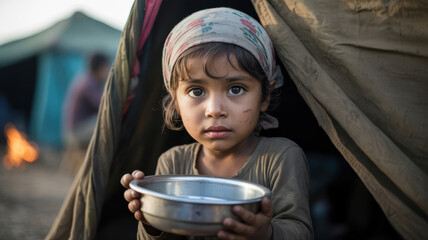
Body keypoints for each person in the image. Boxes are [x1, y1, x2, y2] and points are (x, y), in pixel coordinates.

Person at [120, 7, 312, 239]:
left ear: (265, 96)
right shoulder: (172, 164)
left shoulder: (280, 158)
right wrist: (151, 222)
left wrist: (266, 234)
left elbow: (301, 231)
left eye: (236, 88)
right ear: (176, 100)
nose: (215, 110)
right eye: (197, 91)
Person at [62, 52, 110, 174]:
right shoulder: (88, 84)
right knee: (107, 125)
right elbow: (103, 106)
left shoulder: (85, 80)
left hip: (74, 130)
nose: (108, 71)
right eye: (106, 68)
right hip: (76, 132)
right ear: (99, 68)